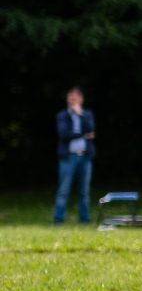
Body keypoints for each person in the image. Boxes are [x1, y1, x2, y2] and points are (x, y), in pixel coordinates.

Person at [54, 86, 96, 225]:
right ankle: (58, 219)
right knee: (63, 190)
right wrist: (83, 134)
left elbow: (91, 129)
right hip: (68, 157)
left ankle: (85, 219)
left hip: (85, 157)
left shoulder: (87, 114)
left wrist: (80, 115)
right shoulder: (62, 116)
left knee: (84, 191)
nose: (72, 100)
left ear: (81, 99)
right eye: (70, 97)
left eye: (75, 98)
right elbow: (64, 134)